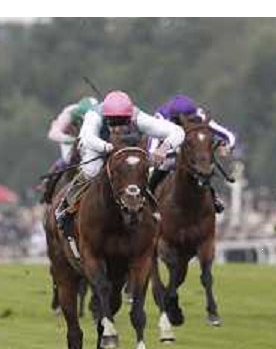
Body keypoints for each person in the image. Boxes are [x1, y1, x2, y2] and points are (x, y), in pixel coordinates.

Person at [54, 91, 185, 250]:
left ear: (129, 117)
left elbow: (178, 132)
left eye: (122, 122)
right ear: (105, 117)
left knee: (137, 170)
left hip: (124, 147)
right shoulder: (94, 115)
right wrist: (107, 147)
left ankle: (150, 207)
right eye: (113, 122)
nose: (117, 127)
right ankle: (65, 208)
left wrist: (164, 148)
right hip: (96, 145)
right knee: (91, 170)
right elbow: (87, 137)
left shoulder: (138, 116)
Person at [148, 94, 236, 213]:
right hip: (167, 156)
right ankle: (148, 197)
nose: (190, 122)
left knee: (203, 165)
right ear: (177, 118)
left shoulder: (199, 114)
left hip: (190, 156)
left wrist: (227, 146)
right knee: (157, 169)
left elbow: (228, 135)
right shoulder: (161, 118)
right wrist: (164, 154)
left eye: (192, 118)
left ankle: (212, 196)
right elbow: (152, 149)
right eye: (186, 119)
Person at [40, 97, 98, 203]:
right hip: (70, 140)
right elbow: (53, 134)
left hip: (90, 141)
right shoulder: (69, 113)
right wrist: (72, 140)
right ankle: (48, 187)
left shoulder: (100, 114)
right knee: (68, 160)